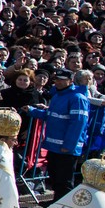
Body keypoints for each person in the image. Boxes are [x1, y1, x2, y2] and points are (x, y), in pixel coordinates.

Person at [40, 67, 90, 200]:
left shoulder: (77, 98)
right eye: (57, 79)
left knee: (65, 180)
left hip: (66, 148)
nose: (59, 82)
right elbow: (51, 115)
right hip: (54, 145)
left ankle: (64, 206)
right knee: (55, 177)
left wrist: (69, 145)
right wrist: (33, 111)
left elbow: (78, 123)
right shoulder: (57, 95)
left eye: (63, 80)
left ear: (70, 81)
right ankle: (56, 202)